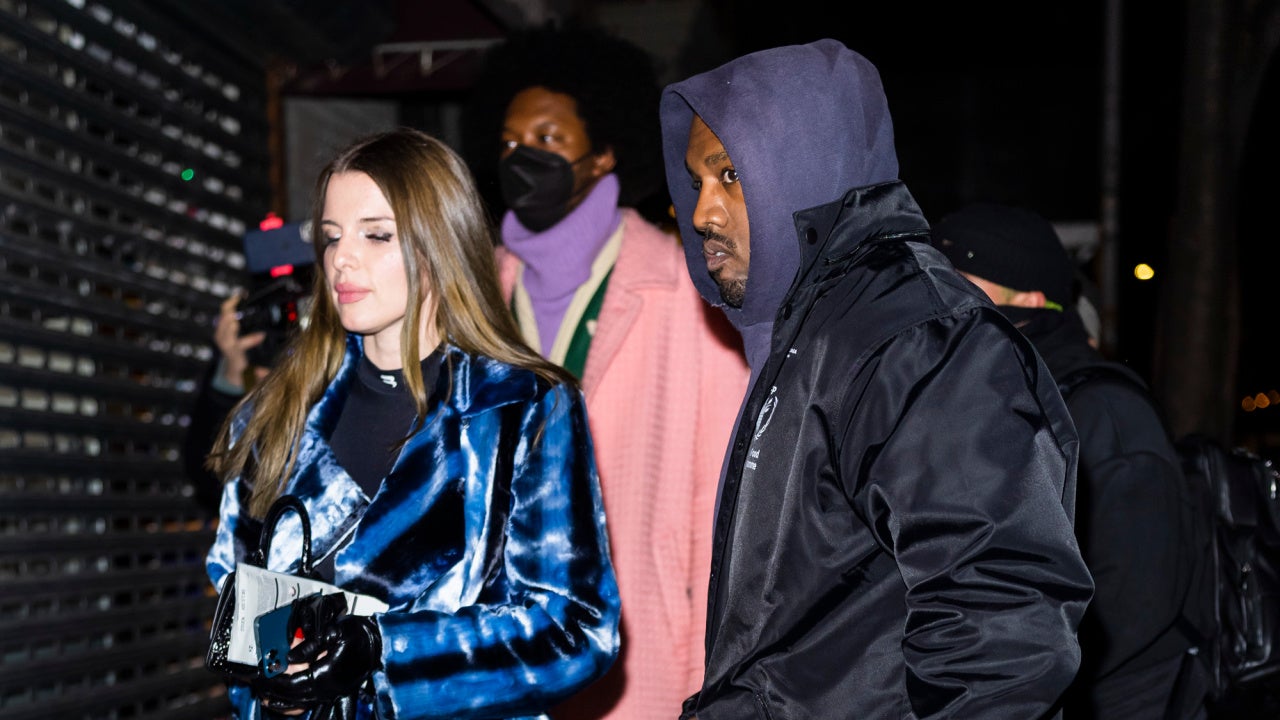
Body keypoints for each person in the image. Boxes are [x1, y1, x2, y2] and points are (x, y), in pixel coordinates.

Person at [659, 39, 1094, 718]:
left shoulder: (915, 336)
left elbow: (1001, 629)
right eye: (696, 183)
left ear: (802, 162)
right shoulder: (814, 332)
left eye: (730, 176)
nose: (703, 214)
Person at [204, 128, 620, 720]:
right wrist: (278, 684)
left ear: (439, 242)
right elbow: (238, 595)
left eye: (376, 235)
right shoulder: (278, 411)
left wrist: (384, 651)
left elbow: (573, 629)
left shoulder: (519, 406)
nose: (341, 258)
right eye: (331, 236)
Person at [464, 25, 749, 720]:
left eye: (548, 138)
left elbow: (725, 519)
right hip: (494, 667)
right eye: (509, 142)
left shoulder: (685, 292)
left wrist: (708, 687)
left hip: (641, 667)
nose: (523, 157)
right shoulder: (473, 297)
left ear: (604, 153)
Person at [933, 202, 1209, 719]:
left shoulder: (1105, 412)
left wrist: (1030, 691)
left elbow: (1139, 603)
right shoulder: (985, 400)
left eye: (959, 287)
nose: (936, 306)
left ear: (1031, 301)